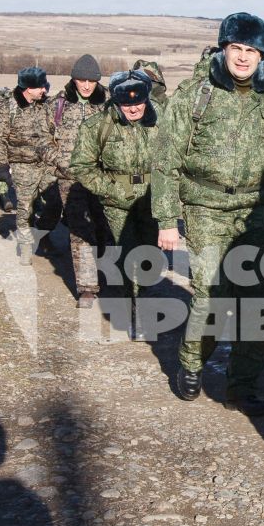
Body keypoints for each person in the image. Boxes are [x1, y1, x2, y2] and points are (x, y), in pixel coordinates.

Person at [152, 11, 264, 416]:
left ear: (262, 55)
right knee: (212, 294)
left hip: (255, 211)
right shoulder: (194, 96)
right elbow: (166, 160)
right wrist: (167, 219)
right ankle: (191, 362)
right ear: (223, 48)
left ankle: (241, 386)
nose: (242, 57)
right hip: (205, 208)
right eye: (236, 48)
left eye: (251, 50)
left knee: (253, 301)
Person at [71, 70, 162, 338]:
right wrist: (109, 190)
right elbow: (82, 166)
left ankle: (142, 298)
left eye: (139, 103)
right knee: (128, 255)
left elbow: (175, 157)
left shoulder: (161, 123)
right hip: (116, 201)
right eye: (127, 104)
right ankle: (135, 310)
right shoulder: (97, 126)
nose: (133, 109)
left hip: (152, 198)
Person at [49, 54, 110, 304]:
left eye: (91, 80)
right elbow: (41, 137)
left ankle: (109, 275)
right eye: (81, 80)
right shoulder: (58, 104)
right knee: (80, 230)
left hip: (103, 178)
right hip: (70, 179)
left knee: (105, 227)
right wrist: (58, 161)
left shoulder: (108, 104)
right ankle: (87, 286)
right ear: (73, 79)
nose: (86, 85)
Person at [0, 66, 55, 251]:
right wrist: (2, 165)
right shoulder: (7, 108)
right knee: (25, 209)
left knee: (55, 203)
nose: (44, 89)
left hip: (46, 164)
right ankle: (26, 247)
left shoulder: (46, 105)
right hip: (21, 165)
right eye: (40, 86)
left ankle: (42, 233)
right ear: (28, 88)